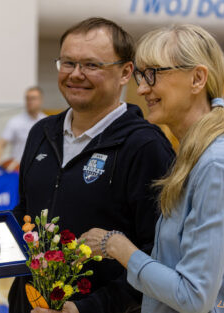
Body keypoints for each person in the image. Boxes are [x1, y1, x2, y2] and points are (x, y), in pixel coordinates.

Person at [81, 24, 224, 313]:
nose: (141, 88)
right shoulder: (201, 153)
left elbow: (193, 296)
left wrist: (117, 246)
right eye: (141, 76)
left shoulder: (217, 162)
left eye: (153, 74)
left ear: (197, 78)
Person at [11, 18, 175, 313]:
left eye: (91, 65)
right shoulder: (41, 132)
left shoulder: (145, 147)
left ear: (126, 72)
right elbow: (24, 215)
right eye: (68, 62)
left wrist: (89, 308)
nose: (75, 75)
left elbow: (160, 256)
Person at [0, 86, 47, 171]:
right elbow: (0, 145)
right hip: (18, 169)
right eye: (27, 99)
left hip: (40, 168)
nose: (30, 102)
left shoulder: (46, 122)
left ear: (41, 100)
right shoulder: (15, 122)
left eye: (33, 98)